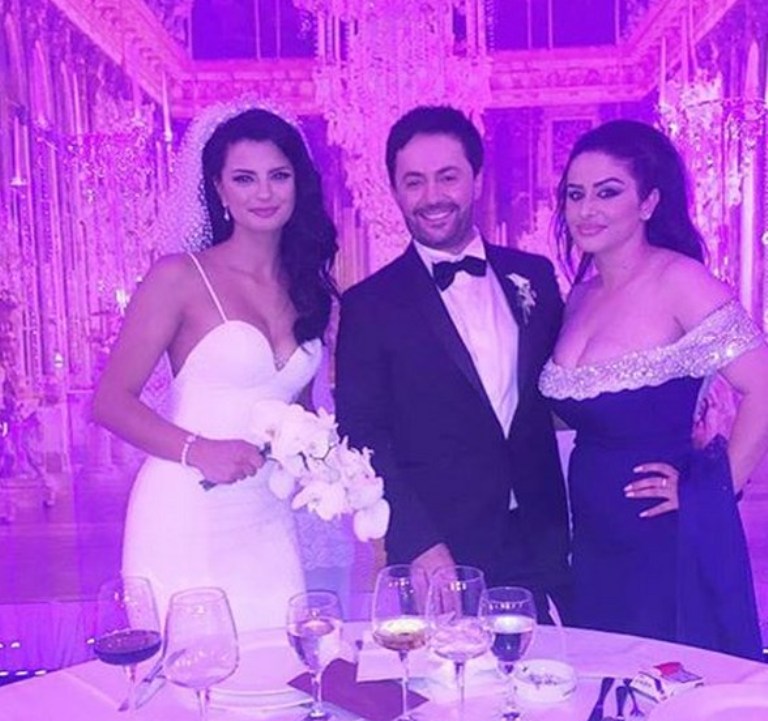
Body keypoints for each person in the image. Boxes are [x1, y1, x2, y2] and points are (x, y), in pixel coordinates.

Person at [92, 104, 338, 631]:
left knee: (280, 657)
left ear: (298, 184)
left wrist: (330, 467)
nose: (264, 193)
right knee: (193, 664)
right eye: (244, 179)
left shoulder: (307, 287)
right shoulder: (179, 278)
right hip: (185, 510)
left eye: (278, 176)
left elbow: (296, 412)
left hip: (267, 515)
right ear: (219, 189)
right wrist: (198, 450)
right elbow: (110, 402)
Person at [540, 119, 768, 656]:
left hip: (661, 529)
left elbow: (763, 385)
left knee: (667, 675)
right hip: (592, 534)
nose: (586, 209)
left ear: (648, 203)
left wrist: (712, 488)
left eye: (607, 192)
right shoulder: (580, 295)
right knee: (603, 673)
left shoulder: (680, 280)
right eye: (575, 194)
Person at [335, 106, 570, 617]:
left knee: (550, 662)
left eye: (448, 177)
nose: (432, 197)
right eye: (413, 182)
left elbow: (569, 383)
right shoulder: (368, 305)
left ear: (476, 180)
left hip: (541, 532)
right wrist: (419, 542)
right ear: (394, 191)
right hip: (440, 547)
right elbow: (362, 434)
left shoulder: (533, 276)